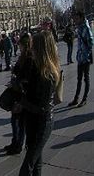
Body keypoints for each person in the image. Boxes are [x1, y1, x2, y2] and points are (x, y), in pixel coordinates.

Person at [14, 30, 61, 175]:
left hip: (43, 122)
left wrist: (22, 103)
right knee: (36, 163)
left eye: (34, 46)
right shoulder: (36, 67)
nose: (31, 49)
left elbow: (43, 107)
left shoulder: (48, 74)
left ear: (41, 50)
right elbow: (31, 90)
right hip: (32, 120)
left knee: (27, 166)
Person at [5, 32, 32, 155]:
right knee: (14, 119)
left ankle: (18, 145)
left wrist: (16, 82)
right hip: (17, 91)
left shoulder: (29, 59)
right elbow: (17, 71)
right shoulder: (22, 57)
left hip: (23, 93)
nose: (18, 47)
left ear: (24, 45)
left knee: (19, 121)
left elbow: (27, 78)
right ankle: (15, 142)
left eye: (20, 45)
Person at [68, 11, 93, 107]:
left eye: (77, 18)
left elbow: (91, 41)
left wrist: (87, 53)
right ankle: (76, 98)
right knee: (79, 79)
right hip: (80, 57)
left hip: (85, 57)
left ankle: (84, 99)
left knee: (86, 78)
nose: (75, 20)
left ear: (82, 18)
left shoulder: (86, 28)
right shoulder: (79, 28)